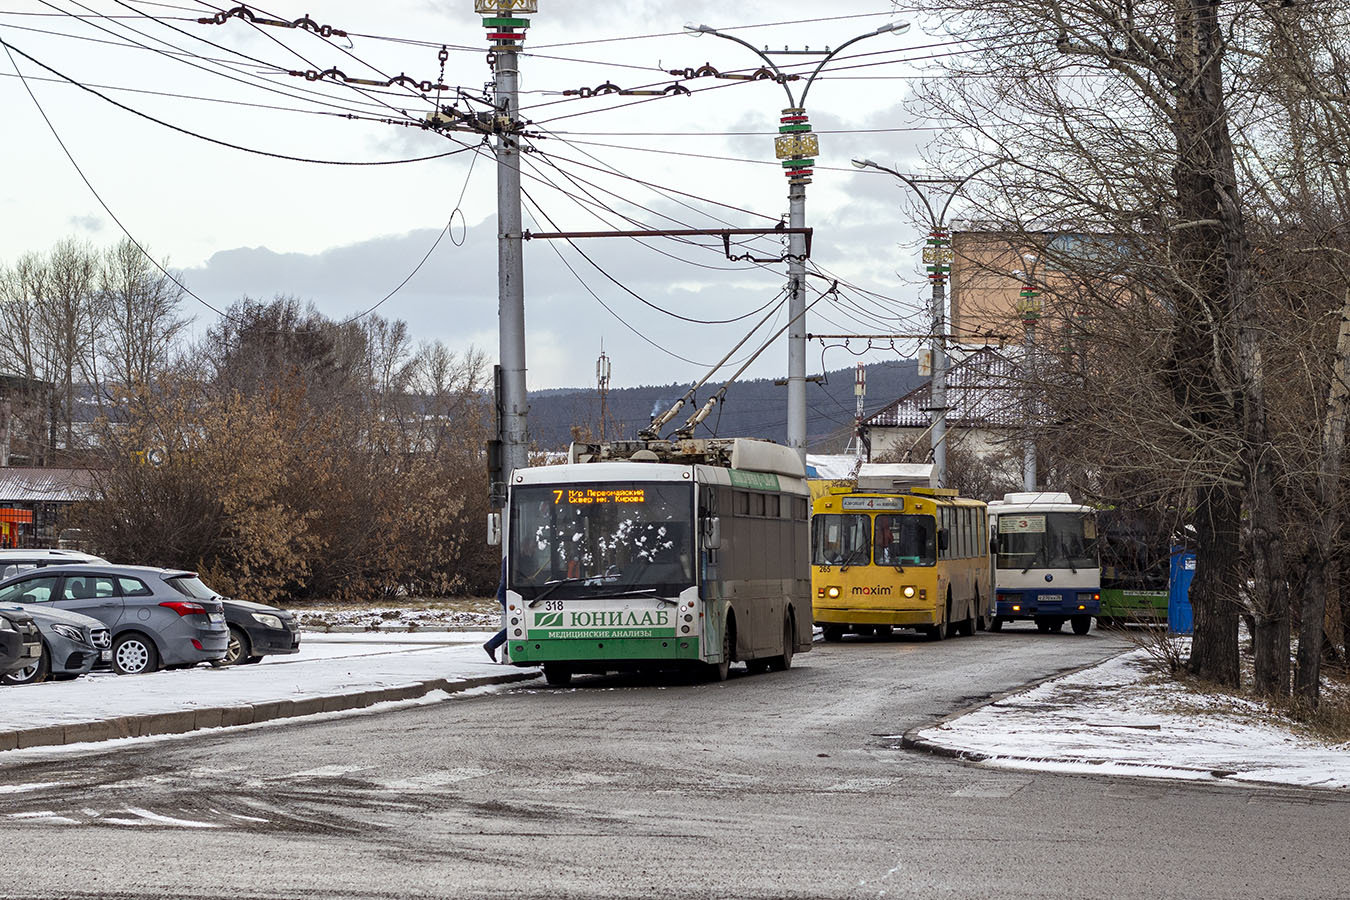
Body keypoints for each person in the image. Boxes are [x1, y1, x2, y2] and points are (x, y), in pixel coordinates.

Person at [483, 556, 507, 662]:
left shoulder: (520, 555)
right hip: (508, 593)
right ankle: (492, 645)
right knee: (516, 623)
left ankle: (504, 646)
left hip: (508, 592)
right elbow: (510, 577)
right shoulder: (514, 556)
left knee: (517, 623)